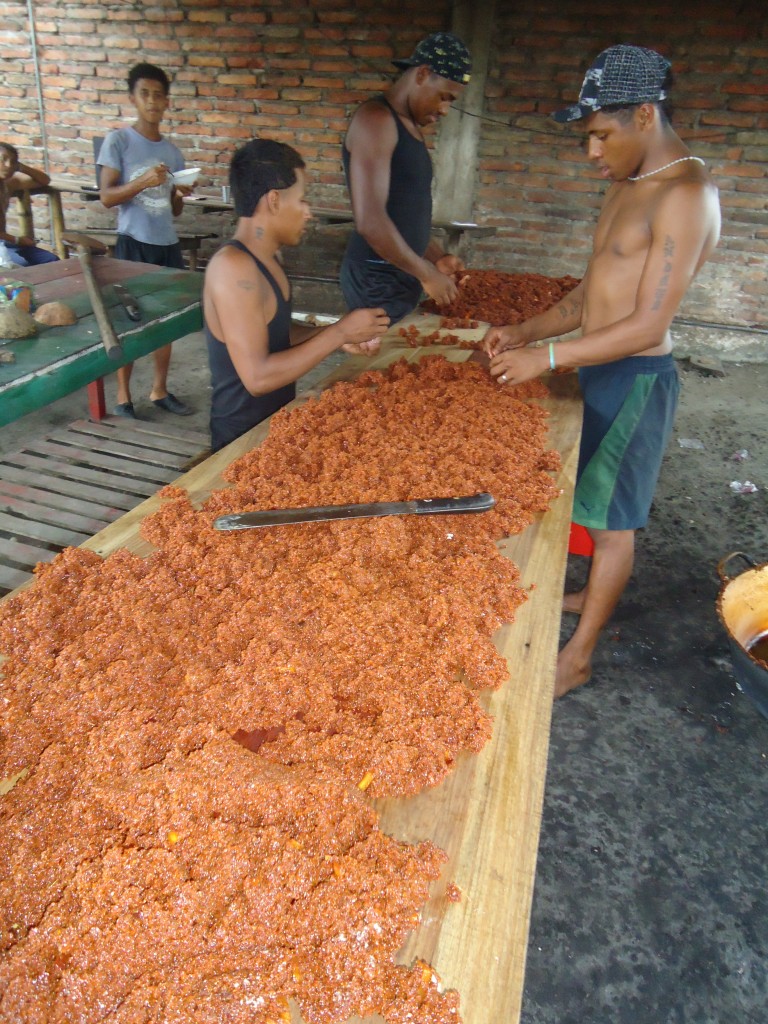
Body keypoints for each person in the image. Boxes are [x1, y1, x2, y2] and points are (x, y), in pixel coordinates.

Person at [483, 44, 721, 698]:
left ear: (645, 114)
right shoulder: (628, 185)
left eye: (600, 135)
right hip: (598, 368)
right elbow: (593, 294)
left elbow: (646, 324)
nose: (592, 151)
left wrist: (548, 358)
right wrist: (527, 331)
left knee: (614, 522)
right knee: (589, 497)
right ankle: (585, 593)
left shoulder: (685, 196)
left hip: (637, 379)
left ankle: (578, 656)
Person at [204, 138, 390, 453]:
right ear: (274, 200)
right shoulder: (233, 269)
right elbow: (258, 377)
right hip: (239, 445)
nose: (308, 213)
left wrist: (332, 335)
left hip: (274, 428)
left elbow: (272, 333)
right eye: (302, 200)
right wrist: (339, 332)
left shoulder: (268, 259)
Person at [340, 32, 472, 324]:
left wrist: (436, 257)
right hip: (377, 278)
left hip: (399, 275)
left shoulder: (404, 126)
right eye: (444, 97)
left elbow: (403, 215)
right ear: (422, 74)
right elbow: (371, 221)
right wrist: (426, 273)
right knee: (377, 365)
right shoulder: (376, 121)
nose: (444, 109)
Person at [98, 62, 194, 418]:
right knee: (131, 321)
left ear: (167, 102)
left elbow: (174, 209)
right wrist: (142, 183)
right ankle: (123, 397)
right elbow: (107, 196)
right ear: (133, 99)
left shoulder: (172, 153)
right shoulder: (119, 141)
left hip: (166, 243)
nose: (152, 101)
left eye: (158, 95)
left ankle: (159, 390)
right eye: (145, 94)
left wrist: (181, 192)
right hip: (132, 242)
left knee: (166, 321)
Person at [0, 142, 59, 267]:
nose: (8, 165)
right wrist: (18, 240)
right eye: (3, 160)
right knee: (21, 266)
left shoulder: (9, 183)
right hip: (7, 242)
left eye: (13, 162)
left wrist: (21, 167)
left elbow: (44, 180)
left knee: (51, 260)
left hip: (5, 242)